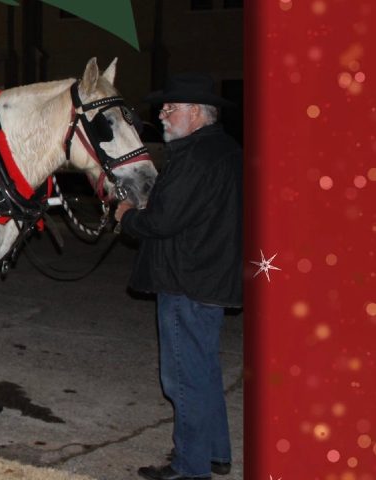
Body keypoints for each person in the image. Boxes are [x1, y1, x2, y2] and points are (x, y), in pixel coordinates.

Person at [114, 73, 242, 480]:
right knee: (203, 370)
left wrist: (128, 217)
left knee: (184, 379)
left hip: (186, 280)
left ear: (195, 113)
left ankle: (190, 468)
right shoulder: (224, 150)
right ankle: (215, 454)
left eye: (170, 108)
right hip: (210, 277)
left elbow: (164, 221)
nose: (163, 115)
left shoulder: (194, 157)